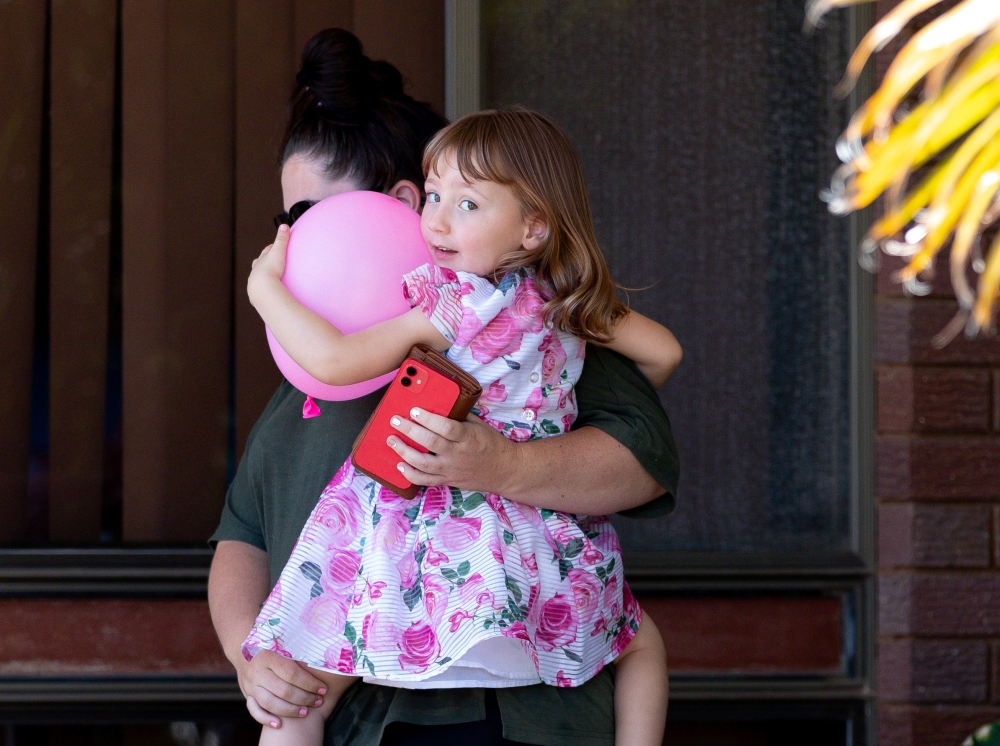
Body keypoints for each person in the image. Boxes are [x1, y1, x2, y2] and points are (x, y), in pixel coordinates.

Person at [207, 28, 680, 746]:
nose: (291, 240)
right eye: (287, 219)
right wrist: (251, 655)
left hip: (509, 708)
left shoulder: (478, 311)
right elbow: (242, 533)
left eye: (306, 217)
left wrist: (263, 289)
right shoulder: (554, 309)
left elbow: (642, 456)